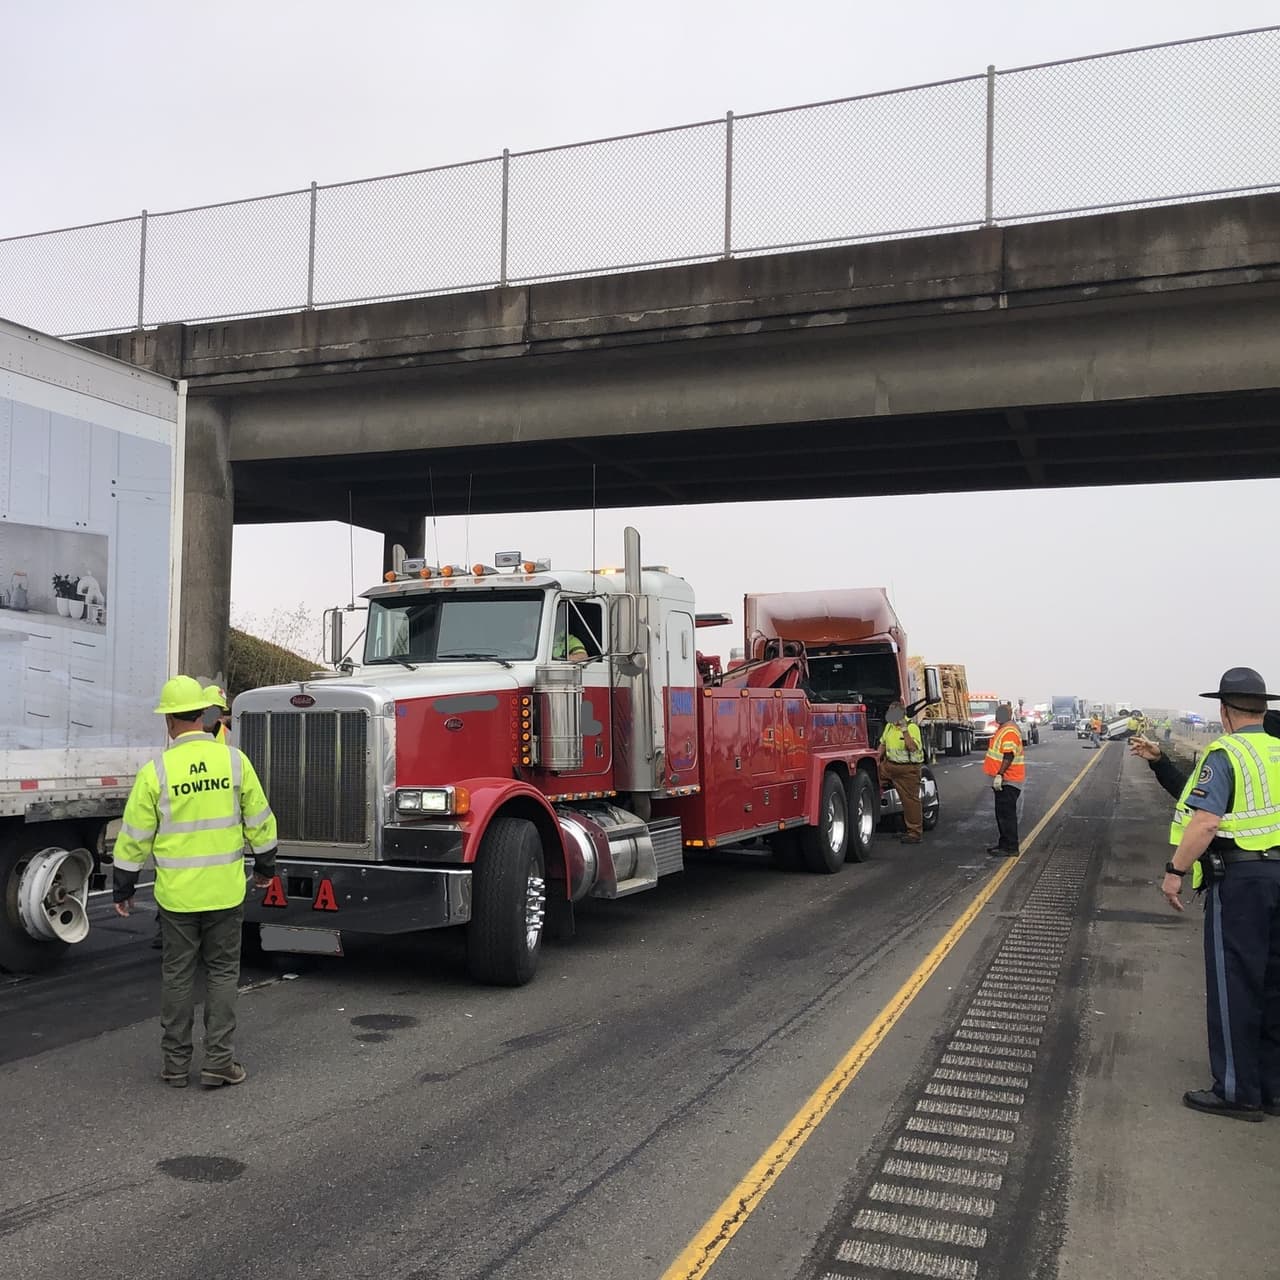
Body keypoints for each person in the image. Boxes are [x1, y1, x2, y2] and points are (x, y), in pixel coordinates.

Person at [112, 675, 278, 1089]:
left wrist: (124, 887)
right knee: (222, 973)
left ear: (169, 721)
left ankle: (175, 1064)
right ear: (204, 715)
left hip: (177, 897)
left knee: (178, 975)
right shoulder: (234, 762)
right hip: (224, 891)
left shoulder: (156, 772)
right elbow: (260, 820)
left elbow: (134, 837)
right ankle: (219, 1062)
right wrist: (265, 868)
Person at [1132, 668, 1280, 1121]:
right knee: (1274, 987)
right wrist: (1161, 762)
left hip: (1243, 884)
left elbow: (1206, 820)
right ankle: (1272, 1089)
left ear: (1224, 710)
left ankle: (1237, 1091)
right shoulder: (1276, 749)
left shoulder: (1226, 752)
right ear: (1263, 708)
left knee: (1236, 985)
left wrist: (1175, 871)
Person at [878, 701, 924, 845]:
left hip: (908, 770)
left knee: (910, 801)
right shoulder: (889, 727)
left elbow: (912, 747)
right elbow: (883, 744)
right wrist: (876, 761)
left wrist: (904, 730)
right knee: (871, 781)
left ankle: (914, 833)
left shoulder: (912, 728)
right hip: (889, 766)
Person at [983, 703, 1024, 857]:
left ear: (1006, 716)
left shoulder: (1009, 731)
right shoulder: (1003, 729)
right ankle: (1004, 844)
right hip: (1004, 780)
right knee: (1002, 814)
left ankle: (1011, 847)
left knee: (1007, 815)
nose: (997, 716)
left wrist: (1000, 774)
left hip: (1008, 780)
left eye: (999, 714)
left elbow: (1009, 755)